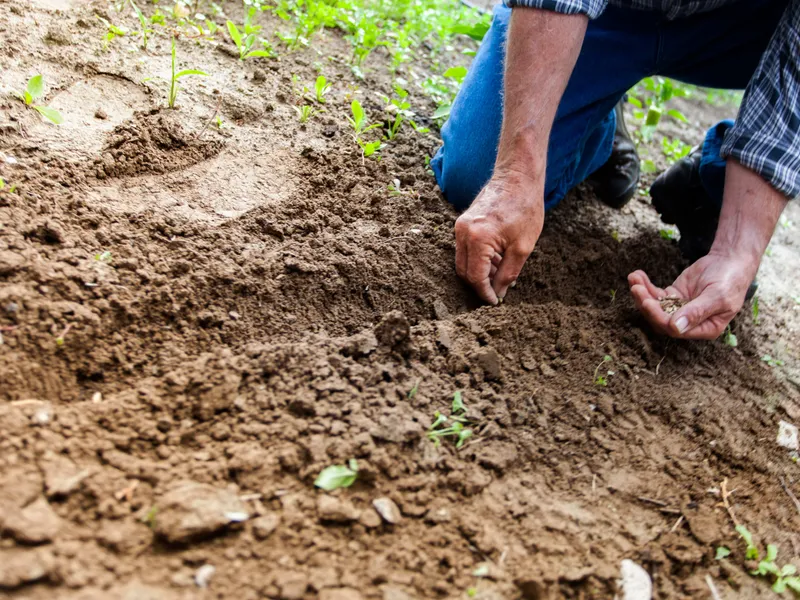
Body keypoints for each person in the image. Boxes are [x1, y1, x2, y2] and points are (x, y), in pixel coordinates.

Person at [431, 0, 797, 340]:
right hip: (611, 11)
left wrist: (737, 251)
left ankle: (715, 177)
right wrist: (516, 175)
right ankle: (597, 118)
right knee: (477, 175)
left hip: (746, 25)